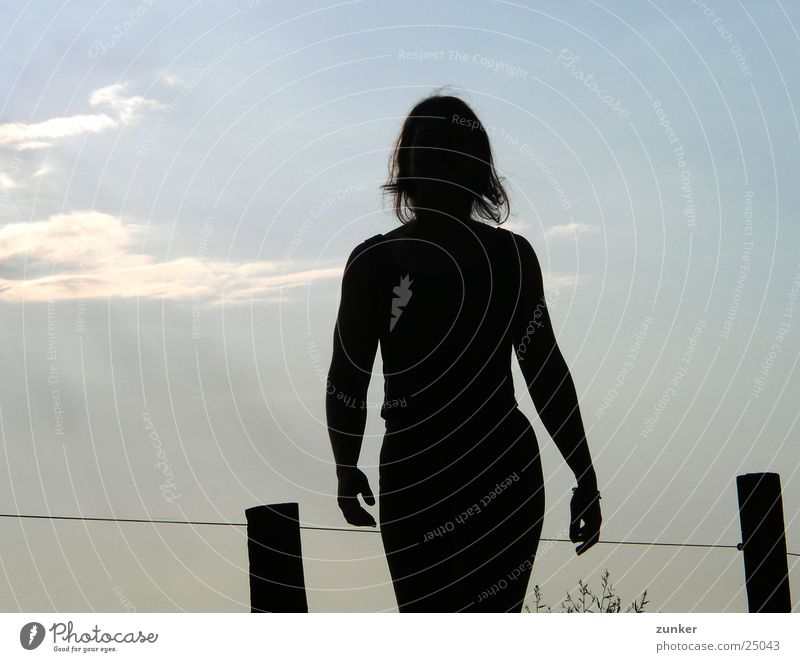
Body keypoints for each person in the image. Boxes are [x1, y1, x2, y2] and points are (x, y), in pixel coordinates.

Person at [326, 93, 601, 612]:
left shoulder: (376, 261)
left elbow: (348, 378)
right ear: (478, 171)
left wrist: (346, 465)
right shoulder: (509, 257)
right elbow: (544, 371)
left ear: (407, 169)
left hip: (418, 470)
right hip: (500, 466)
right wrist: (583, 472)